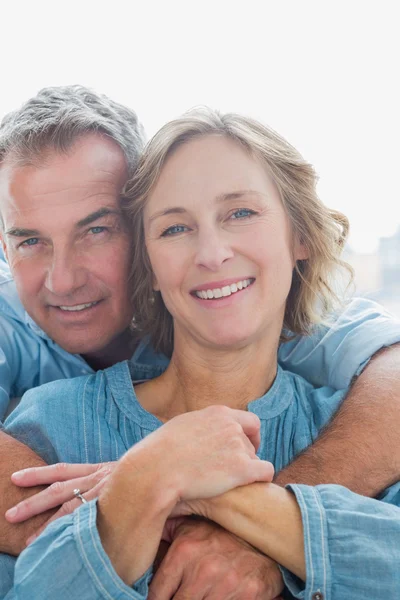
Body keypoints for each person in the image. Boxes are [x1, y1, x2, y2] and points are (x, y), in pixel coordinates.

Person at [0, 87, 399, 599]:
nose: (62, 280)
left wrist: (238, 511)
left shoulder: (330, 385)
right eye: (176, 227)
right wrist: (141, 485)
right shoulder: (45, 415)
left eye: (96, 230)